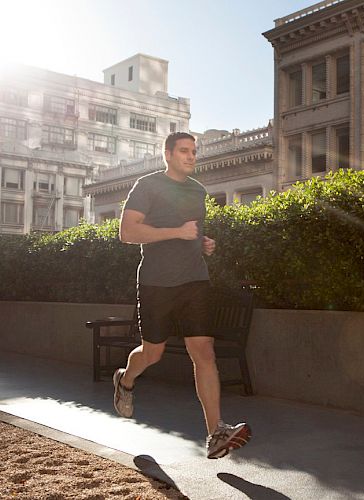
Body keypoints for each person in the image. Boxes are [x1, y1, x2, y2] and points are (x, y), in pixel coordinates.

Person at [114, 132, 251, 459]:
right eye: (184, 151)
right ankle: (125, 380)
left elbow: (193, 231)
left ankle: (216, 433)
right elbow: (127, 232)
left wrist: (204, 242)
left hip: (194, 280)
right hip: (157, 283)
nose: (191, 156)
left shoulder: (197, 190)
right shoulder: (147, 186)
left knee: (204, 351)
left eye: (194, 151)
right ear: (168, 154)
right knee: (153, 353)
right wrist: (176, 233)